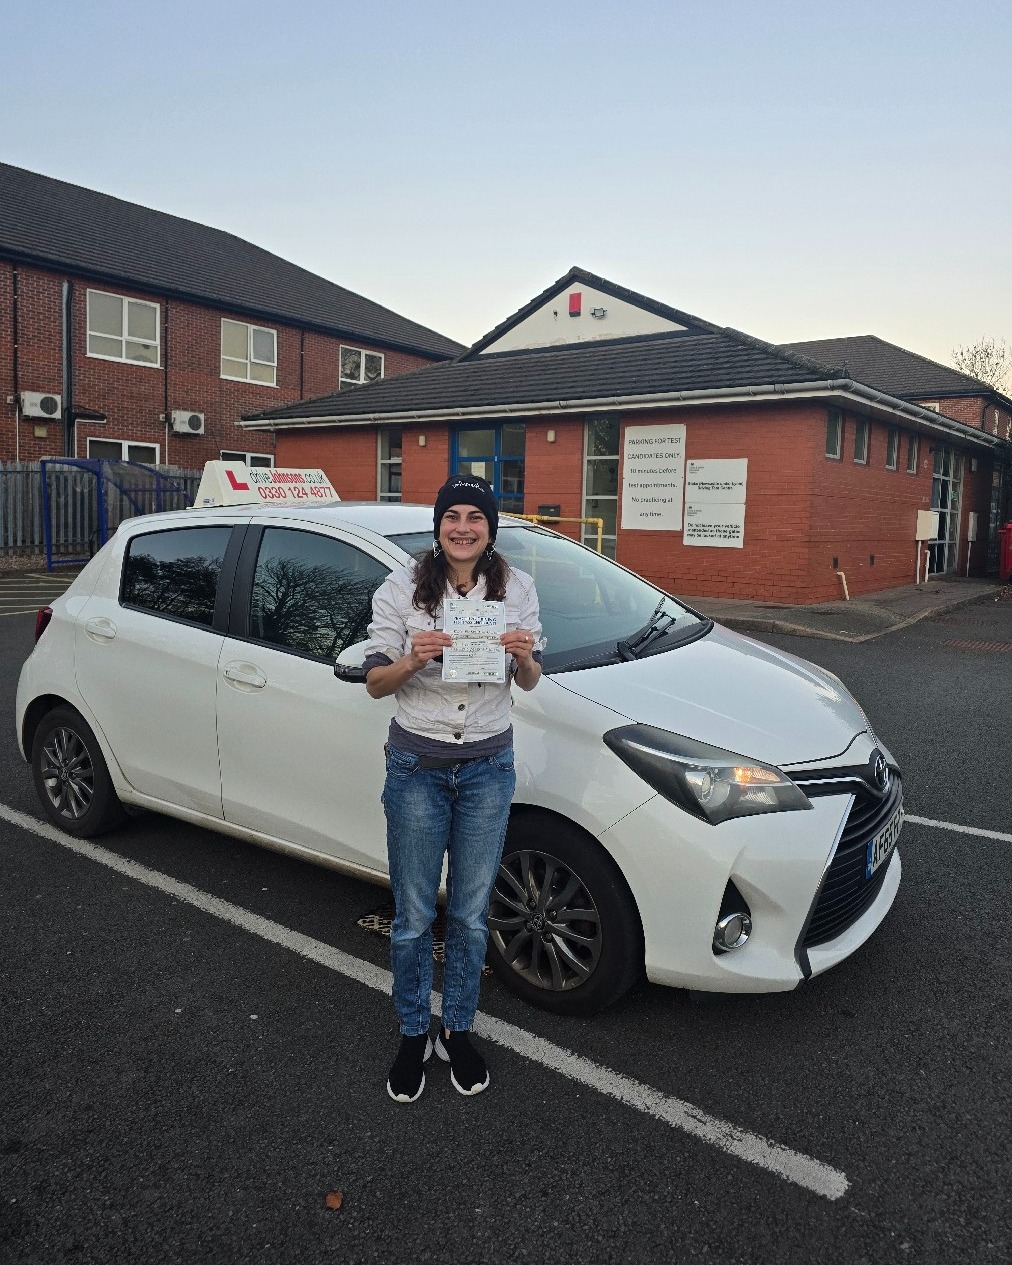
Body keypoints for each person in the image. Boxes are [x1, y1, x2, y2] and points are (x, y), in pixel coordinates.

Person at [363, 475, 542, 1102]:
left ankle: (458, 1028)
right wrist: (413, 658)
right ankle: (415, 1031)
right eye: (452, 516)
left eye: (475, 517)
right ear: (438, 526)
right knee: (414, 917)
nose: (463, 526)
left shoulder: (517, 589)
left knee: (469, 917)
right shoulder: (400, 590)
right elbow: (375, 685)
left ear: (490, 528)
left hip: (489, 768)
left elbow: (531, 683)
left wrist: (523, 656)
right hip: (418, 767)